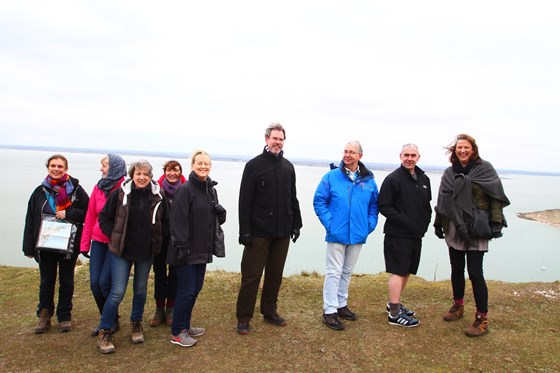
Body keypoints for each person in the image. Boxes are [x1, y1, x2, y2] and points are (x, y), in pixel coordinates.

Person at [434, 134, 509, 337]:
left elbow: (495, 197)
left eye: (466, 147)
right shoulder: (449, 173)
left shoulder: (485, 169)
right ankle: (458, 306)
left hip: (476, 227)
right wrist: (438, 223)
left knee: (475, 273)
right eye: (459, 147)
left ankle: (482, 318)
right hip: (453, 227)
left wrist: (496, 222)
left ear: (473, 149)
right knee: (456, 269)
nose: (462, 151)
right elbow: (442, 200)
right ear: (455, 150)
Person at [235, 123, 303, 335]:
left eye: (281, 139)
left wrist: (296, 223)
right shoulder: (254, 166)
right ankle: (244, 317)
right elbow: (244, 200)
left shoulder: (288, 167)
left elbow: (292, 197)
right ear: (266, 139)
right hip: (258, 232)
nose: (278, 142)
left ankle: (270, 311)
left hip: (282, 231)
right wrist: (244, 230)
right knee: (251, 276)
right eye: (274, 138)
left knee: (275, 274)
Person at [95, 160, 167, 354]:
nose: (141, 178)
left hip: (146, 252)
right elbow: (103, 217)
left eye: (145, 174)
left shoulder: (159, 196)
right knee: (117, 292)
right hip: (122, 252)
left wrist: (158, 243)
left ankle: (136, 323)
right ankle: (105, 330)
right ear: (131, 175)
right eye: (138, 174)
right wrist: (114, 234)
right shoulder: (119, 194)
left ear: (150, 177)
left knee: (141, 289)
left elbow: (165, 222)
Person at [313, 141, 379, 331]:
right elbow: (319, 201)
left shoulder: (368, 180)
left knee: (347, 271)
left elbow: (374, 206)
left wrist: (369, 225)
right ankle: (329, 310)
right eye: (345, 151)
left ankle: (341, 305)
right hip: (337, 233)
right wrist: (330, 223)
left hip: (358, 234)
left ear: (360, 156)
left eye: (352, 152)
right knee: (334, 271)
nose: (347, 155)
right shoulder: (331, 177)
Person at [22, 154, 89, 333]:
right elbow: (30, 219)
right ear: (48, 168)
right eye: (53, 166)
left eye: (60, 166)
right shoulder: (39, 191)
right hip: (45, 244)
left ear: (66, 169)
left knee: (67, 280)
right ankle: (44, 315)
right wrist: (28, 247)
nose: (56, 169)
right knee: (46, 281)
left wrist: (69, 214)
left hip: (69, 244)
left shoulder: (76, 190)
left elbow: (87, 213)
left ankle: (64, 316)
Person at [167, 150, 226, 347]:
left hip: (202, 248)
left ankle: (185, 325)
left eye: (206, 164)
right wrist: (182, 245)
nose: (203, 166)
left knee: (195, 289)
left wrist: (221, 213)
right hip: (185, 251)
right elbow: (177, 221)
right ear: (192, 165)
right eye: (199, 163)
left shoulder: (210, 189)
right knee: (186, 290)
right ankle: (177, 332)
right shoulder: (185, 189)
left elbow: (214, 221)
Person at [378, 144, 432, 328]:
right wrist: (405, 221)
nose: (409, 158)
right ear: (400, 156)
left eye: (413, 155)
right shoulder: (393, 179)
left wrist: (423, 225)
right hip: (397, 234)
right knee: (398, 271)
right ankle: (394, 314)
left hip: (416, 235)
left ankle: (394, 303)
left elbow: (427, 206)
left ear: (418, 157)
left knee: (407, 270)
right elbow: (384, 206)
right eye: (406, 155)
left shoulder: (423, 178)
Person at [80, 154, 127, 336]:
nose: (101, 169)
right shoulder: (98, 188)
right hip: (98, 242)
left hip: (115, 244)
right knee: (94, 284)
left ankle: (107, 322)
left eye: (105, 165)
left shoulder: (125, 189)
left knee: (104, 283)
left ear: (115, 167)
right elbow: (91, 216)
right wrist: (85, 244)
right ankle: (109, 318)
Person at [149, 160, 186, 327]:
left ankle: (171, 308)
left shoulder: (186, 190)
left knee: (175, 276)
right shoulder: (156, 190)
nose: (173, 174)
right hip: (160, 240)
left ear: (180, 172)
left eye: (176, 171)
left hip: (177, 241)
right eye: (169, 171)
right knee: (160, 275)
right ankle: (159, 309)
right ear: (165, 172)